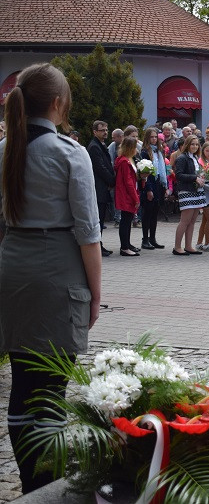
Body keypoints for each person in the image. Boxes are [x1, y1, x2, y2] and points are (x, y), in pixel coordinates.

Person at [0, 63, 101, 493]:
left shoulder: (5, 149)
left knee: (23, 381)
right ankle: (46, 483)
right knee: (52, 387)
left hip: (11, 264)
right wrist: (96, 293)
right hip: (57, 270)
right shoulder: (70, 152)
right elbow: (88, 233)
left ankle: (30, 481)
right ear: (58, 104)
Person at [172, 134, 205, 255]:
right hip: (186, 191)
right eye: (192, 144)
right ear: (187, 145)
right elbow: (178, 175)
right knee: (185, 220)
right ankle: (177, 247)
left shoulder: (196, 158)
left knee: (192, 221)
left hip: (196, 191)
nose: (195, 146)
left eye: (197, 144)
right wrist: (195, 178)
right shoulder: (182, 158)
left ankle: (188, 246)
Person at [86, 119, 114, 256]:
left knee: (101, 218)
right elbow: (100, 168)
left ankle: (99, 244)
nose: (105, 133)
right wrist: (112, 180)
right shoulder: (94, 147)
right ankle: (97, 245)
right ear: (95, 131)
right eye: (102, 130)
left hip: (103, 187)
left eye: (106, 130)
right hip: (99, 188)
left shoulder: (101, 145)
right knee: (98, 219)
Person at [139, 128, 167, 250]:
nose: (154, 139)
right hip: (149, 184)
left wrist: (164, 185)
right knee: (148, 213)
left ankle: (152, 238)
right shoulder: (145, 152)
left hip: (158, 183)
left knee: (155, 212)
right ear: (147, 138)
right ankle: (145, 239)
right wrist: (149, 189)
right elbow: (146, 173)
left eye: (156, 137)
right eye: (152, 137)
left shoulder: (159, 151)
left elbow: (162, 169)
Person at [114, 136, 141, 256]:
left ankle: (127, 243)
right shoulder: (124, 162)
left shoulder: (129, 159)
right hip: (127, 194)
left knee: (128, 219)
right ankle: (124, 247)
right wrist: (135, 197)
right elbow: (128, 181)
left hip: (129, 193)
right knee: (125, 220)